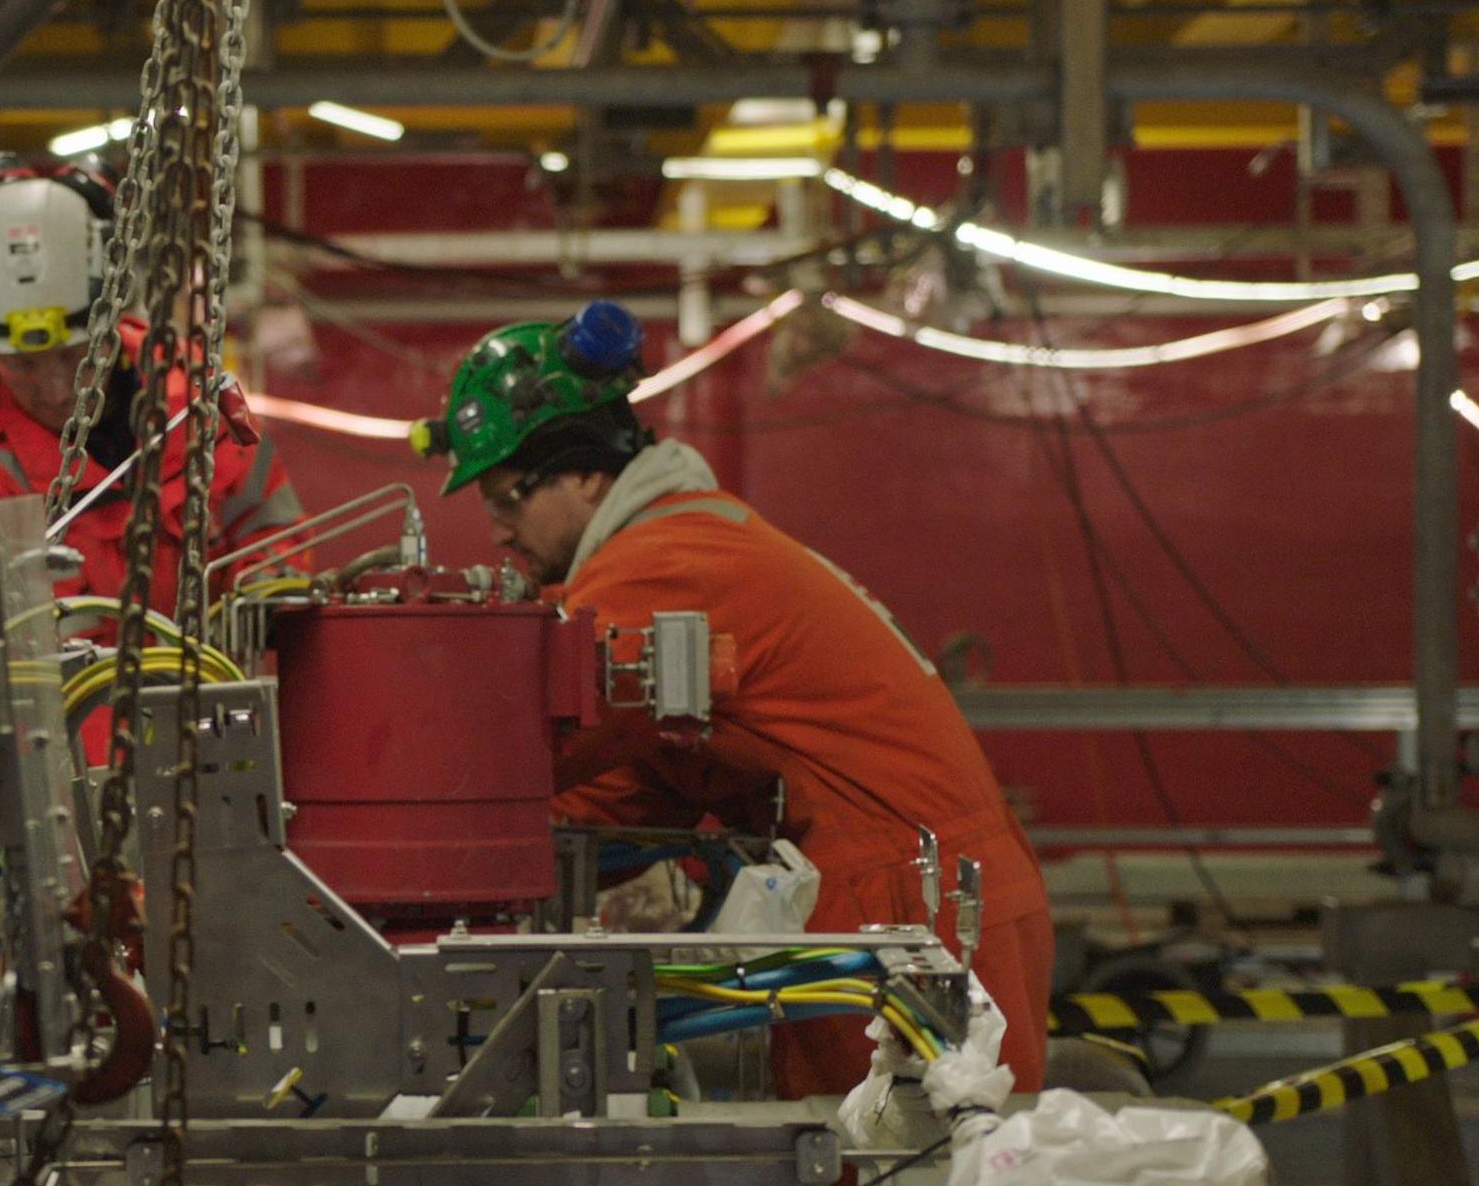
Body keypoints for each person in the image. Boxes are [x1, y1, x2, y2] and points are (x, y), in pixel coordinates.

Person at [410, 301, 1053, 1100]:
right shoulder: (690, 537)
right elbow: (638, 775)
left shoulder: (661, 563)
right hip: (920, 890)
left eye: (508, 498)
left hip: (906, 902)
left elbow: (543, 737)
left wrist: (395, 795)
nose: (498, 532)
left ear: (580, 470)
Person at [0, 152, 305, 594]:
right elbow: (0, 633)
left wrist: (265, 583)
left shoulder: (194, 401)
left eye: (73, 357)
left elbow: (271, 529)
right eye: (23, 366)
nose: (57, 391)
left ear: (111, 327)